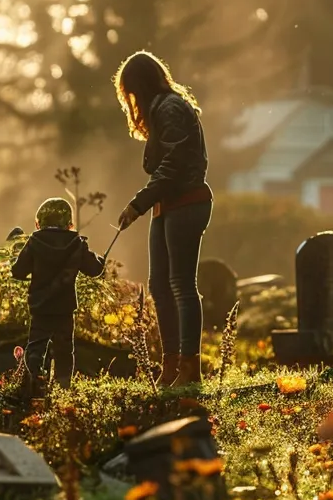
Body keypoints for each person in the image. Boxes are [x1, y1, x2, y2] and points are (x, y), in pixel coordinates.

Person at [113, 51, 212, 388]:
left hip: (186, 203)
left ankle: (189, 365)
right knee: (159, 285)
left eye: (130, 91)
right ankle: (170, 364)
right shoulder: (163, 109)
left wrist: (137, 204)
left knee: (182, 286)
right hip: (168, 206)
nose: (131, 100)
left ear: (139, 85)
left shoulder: (169, 107)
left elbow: (172, 165)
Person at [12, 198, 106, 389]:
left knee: (36, 347)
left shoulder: (34, 242)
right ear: (69, 223)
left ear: (39, 222)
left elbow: (18, 272)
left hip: (40, 307)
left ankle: (32, 384)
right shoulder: (77, 243)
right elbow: (95, 269)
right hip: (64, 308)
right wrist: (101, 259)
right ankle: (63, 387)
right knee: (64, 350)